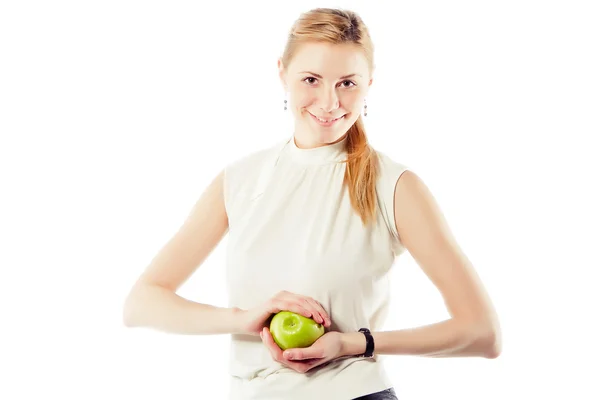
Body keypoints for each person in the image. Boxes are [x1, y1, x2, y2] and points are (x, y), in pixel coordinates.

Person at [123, 7, 501, 400]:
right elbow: (142, 302)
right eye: (311, 79)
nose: (329, 101)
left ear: (369, 83)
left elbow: (482, 332)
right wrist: (245, 319)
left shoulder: (395, 186)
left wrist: (354, 343)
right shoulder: (239, 180)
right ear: (282, 73)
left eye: (347, 83)